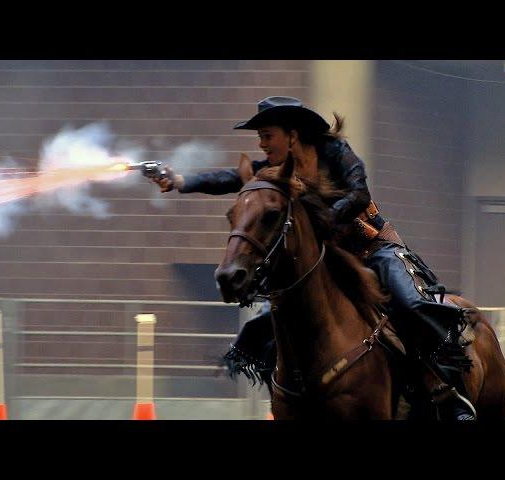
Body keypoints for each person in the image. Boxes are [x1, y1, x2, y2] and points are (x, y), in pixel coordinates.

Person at [152, 96, 477, 421]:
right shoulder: (273, 171)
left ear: (292, 135)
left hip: (371, 246)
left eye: (267, 135)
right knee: (266, 324)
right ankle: (287, 395)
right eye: (260, 137)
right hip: (327, 258)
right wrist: (181, 181)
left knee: (409, 303)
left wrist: (325, 221)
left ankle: (446, 391)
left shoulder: (335, 153)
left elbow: (359, 194)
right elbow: (229, 177)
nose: (261, 144)